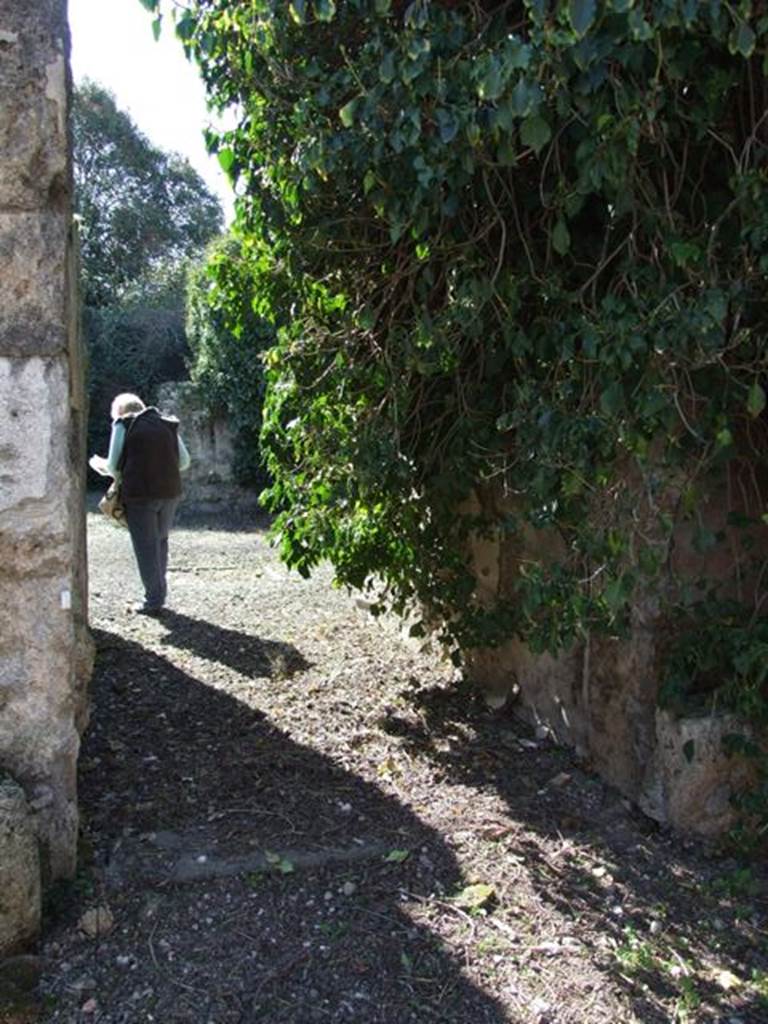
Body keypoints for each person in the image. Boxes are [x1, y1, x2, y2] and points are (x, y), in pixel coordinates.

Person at [90, 393, 191, 616]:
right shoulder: (167, 423)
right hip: (170, 491)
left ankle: (152, 600)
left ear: (119, 412)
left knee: (146, 547)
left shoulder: (123, 423)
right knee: (160, 541)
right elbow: (184, 462)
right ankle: (158, 595)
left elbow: (114, 465)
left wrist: (97, 464)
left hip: (140, 494)